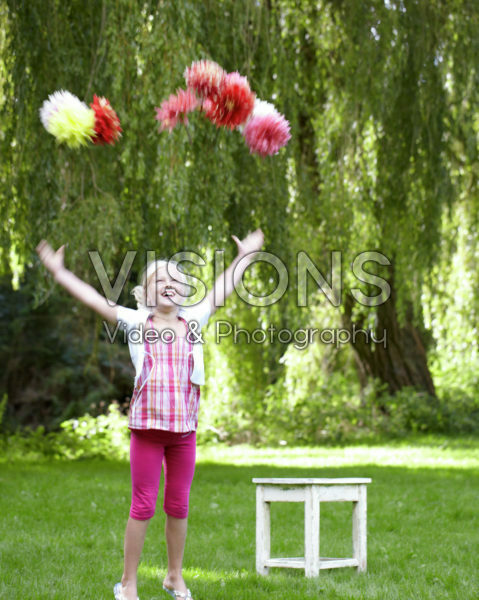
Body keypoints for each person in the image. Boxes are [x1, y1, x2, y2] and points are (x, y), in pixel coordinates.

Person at [35, 229, 264, 600]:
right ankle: (128, 583)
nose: (168, 286)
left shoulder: (195, 319)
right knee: (143, 504)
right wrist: (60, 273)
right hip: (146, 431)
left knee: (179, 504)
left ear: (185, 291)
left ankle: (175, 576)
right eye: (160, 281)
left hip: (183, 433)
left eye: (175, 281)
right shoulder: (136, 322)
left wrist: (246, 257)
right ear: (147, 293)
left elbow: (225, 288)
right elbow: (95, 300)